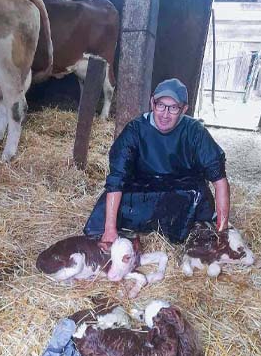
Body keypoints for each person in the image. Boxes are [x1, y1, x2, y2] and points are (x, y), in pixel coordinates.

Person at [83, 78, 230, 247]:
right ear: (152, 103)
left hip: (183, 191)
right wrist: (110, 229)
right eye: (161, 105)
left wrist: (222, 230)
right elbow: (117, 179)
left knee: (202, 203)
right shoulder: (135, 130)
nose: (165, 114)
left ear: (184, 109)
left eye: (173, 108)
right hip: (142, 190)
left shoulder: (195, 131)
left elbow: (219, 180)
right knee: (104, 210)